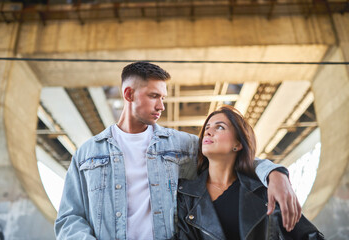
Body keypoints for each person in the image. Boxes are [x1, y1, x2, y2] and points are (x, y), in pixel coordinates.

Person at [55, 62, 301, 240]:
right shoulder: (87, 154)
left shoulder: (179, 145)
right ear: (128, 94)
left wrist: (275, 174)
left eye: (163, 97)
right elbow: (69, 218)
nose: (161, 106)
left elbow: (231, 157)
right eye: (154, 96)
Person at [175, 105, 324, 240]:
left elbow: (308, 235)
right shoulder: (185, 196)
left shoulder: (263, 192)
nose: (208, 132)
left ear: (238, 144)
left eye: (219, 127)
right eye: (207, 127)